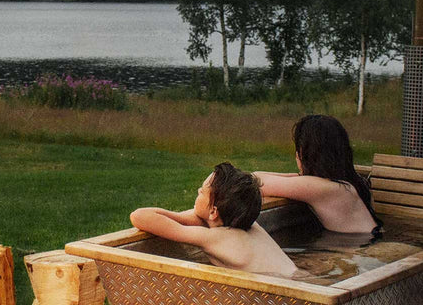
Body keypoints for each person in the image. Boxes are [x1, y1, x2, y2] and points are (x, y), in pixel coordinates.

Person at [129, 162, 304, 277]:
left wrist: (178, 217)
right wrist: (200, 216)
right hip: (301, 277)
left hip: (287, 290)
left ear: (213, 211)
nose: (198, 191)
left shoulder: (213, 237)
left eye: (202, 191)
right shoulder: (250, 224)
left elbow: (139, 216)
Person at [252, 114, 381, 235]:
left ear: (305, 153)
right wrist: (301, 175)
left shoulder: (325, 188)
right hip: (371, 242)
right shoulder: (354, 183)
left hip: (361, 248)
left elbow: (256, 180)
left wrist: (301, 173)